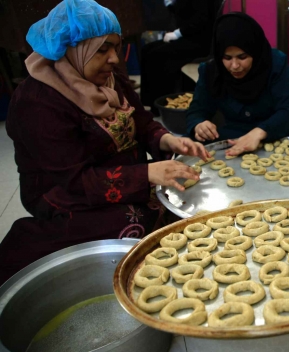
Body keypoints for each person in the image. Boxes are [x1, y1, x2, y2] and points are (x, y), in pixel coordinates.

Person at [0, 0, 209, 285]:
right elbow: (74, 179)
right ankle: (38, 237)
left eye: (115, 47)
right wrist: (146, 174)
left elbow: (142, 121)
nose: (114, 58)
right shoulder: (38, 103)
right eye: (102, 50)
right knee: (132, 224)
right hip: (62, 190)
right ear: (72, 50)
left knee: (175, 201)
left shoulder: (109, 79)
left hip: (119, 174)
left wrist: (168, 141)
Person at [186, 13, 289, 157]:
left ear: (255, 51)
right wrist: (199, 124)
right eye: (227, 58)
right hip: (232, 135)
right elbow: (196, 111)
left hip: (277, 133)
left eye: (242, 57)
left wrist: (259, 132)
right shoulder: (211, 71)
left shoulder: (275, 64)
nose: (234, 66)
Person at [140, 0, 218, 115]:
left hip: (200, 39)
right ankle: (150, 101)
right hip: (187, 35)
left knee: (157, 56)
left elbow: (201, 20)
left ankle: (159, 105)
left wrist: (178, 33)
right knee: (146, 50)